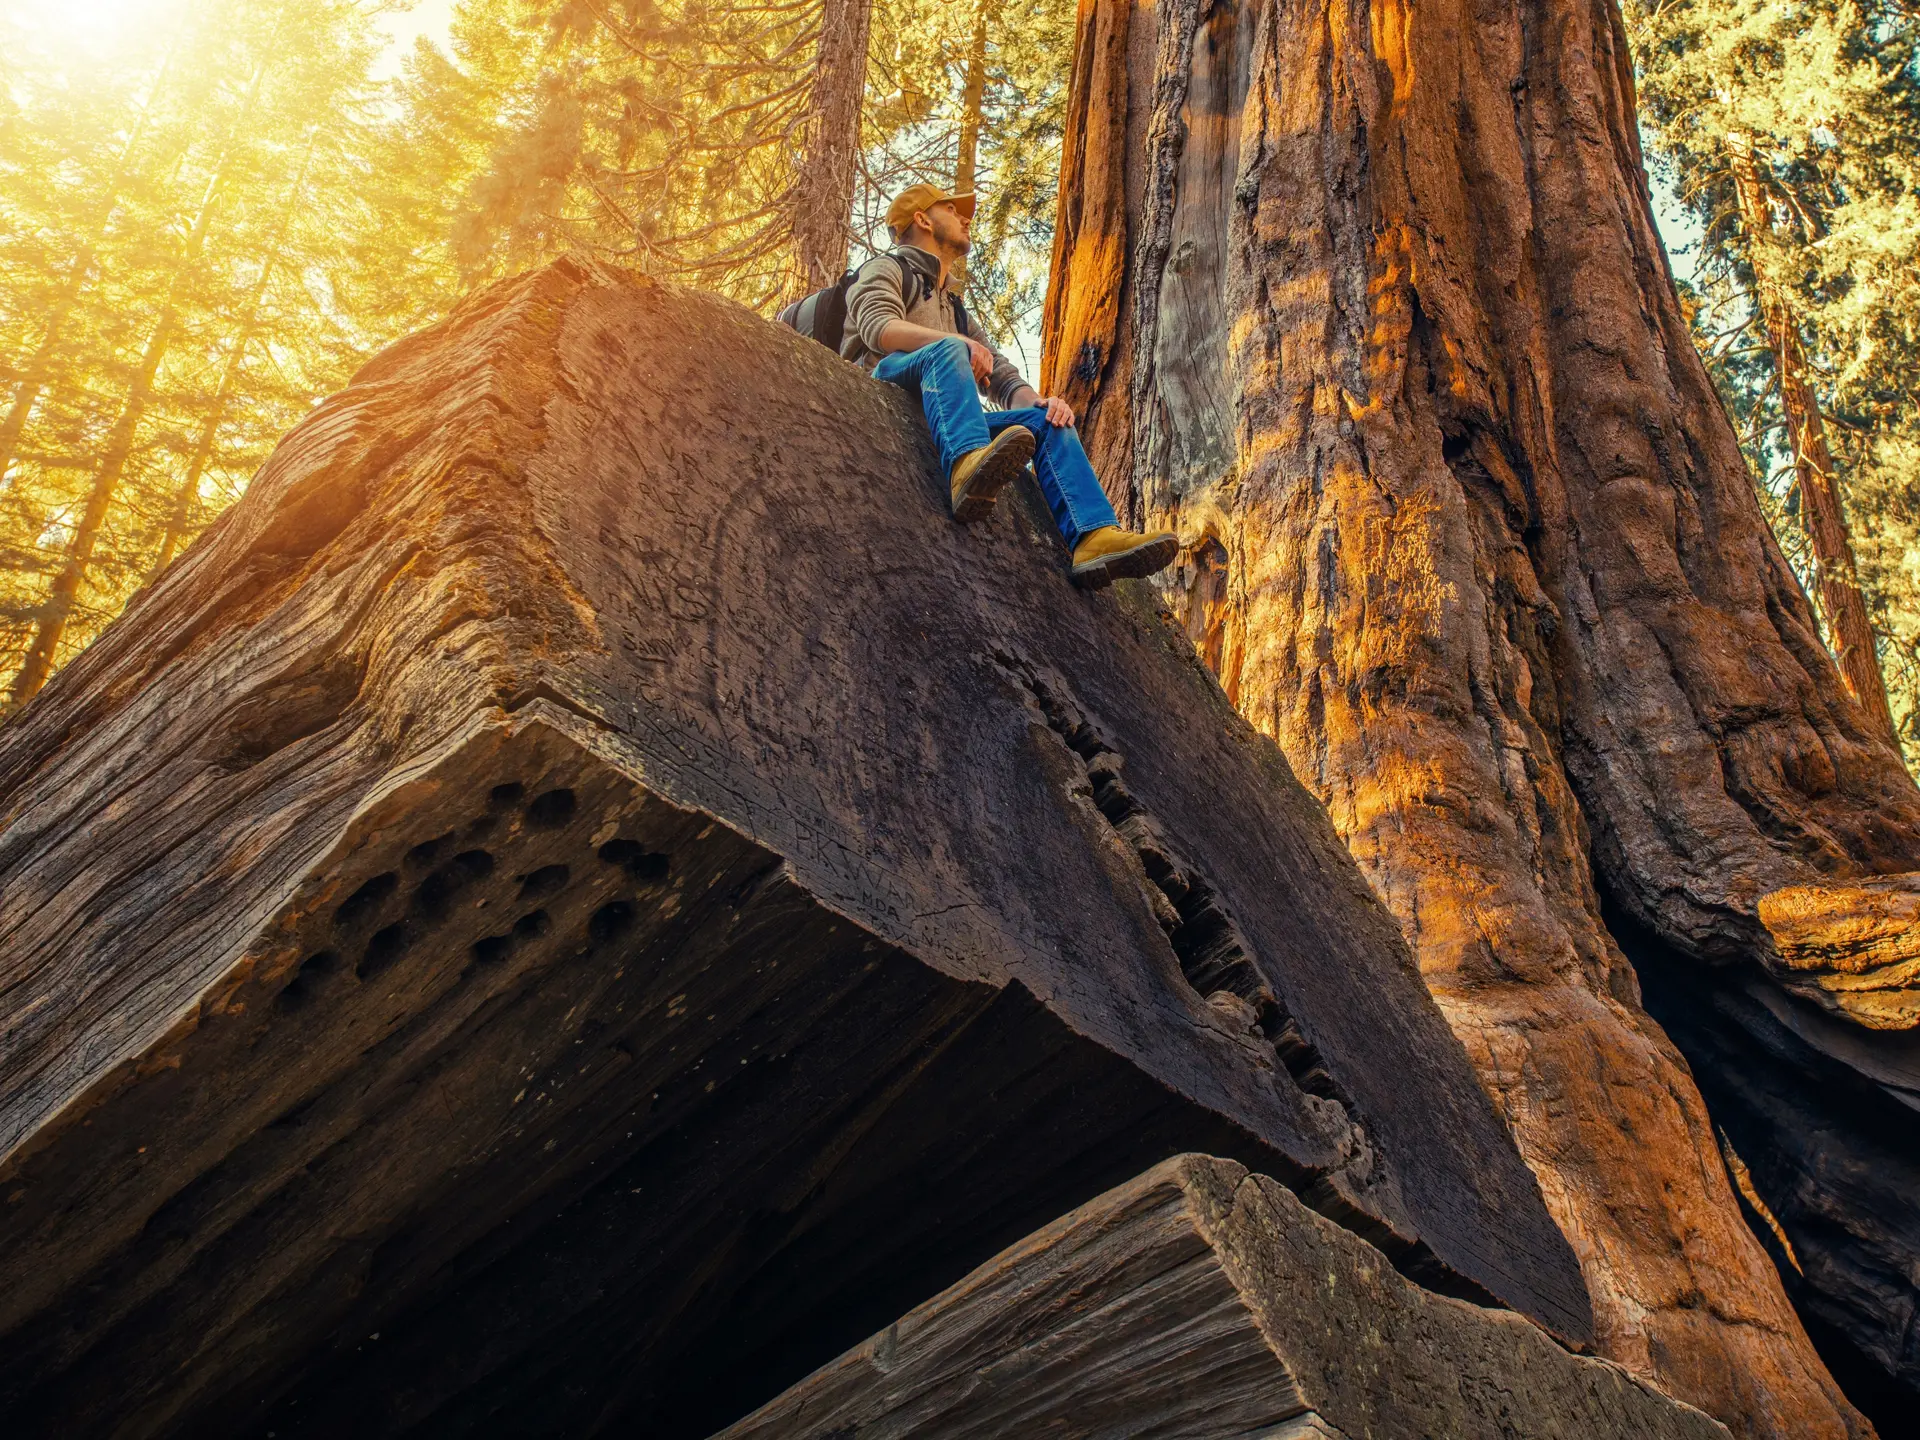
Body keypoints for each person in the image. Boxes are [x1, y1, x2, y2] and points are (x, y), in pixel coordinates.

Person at [841, 183, 1178, 587]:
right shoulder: (888, 268)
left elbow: (1001, 376)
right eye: (952, 209)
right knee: (948, 351)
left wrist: (1041, 403)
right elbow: (880, 328)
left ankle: (1093, 536)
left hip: (947, 414)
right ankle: (967, 469)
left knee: (1046, 422)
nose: (966, 218)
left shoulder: (956, 310)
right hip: (889, 389)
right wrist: (955, 344)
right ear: (922, 219)